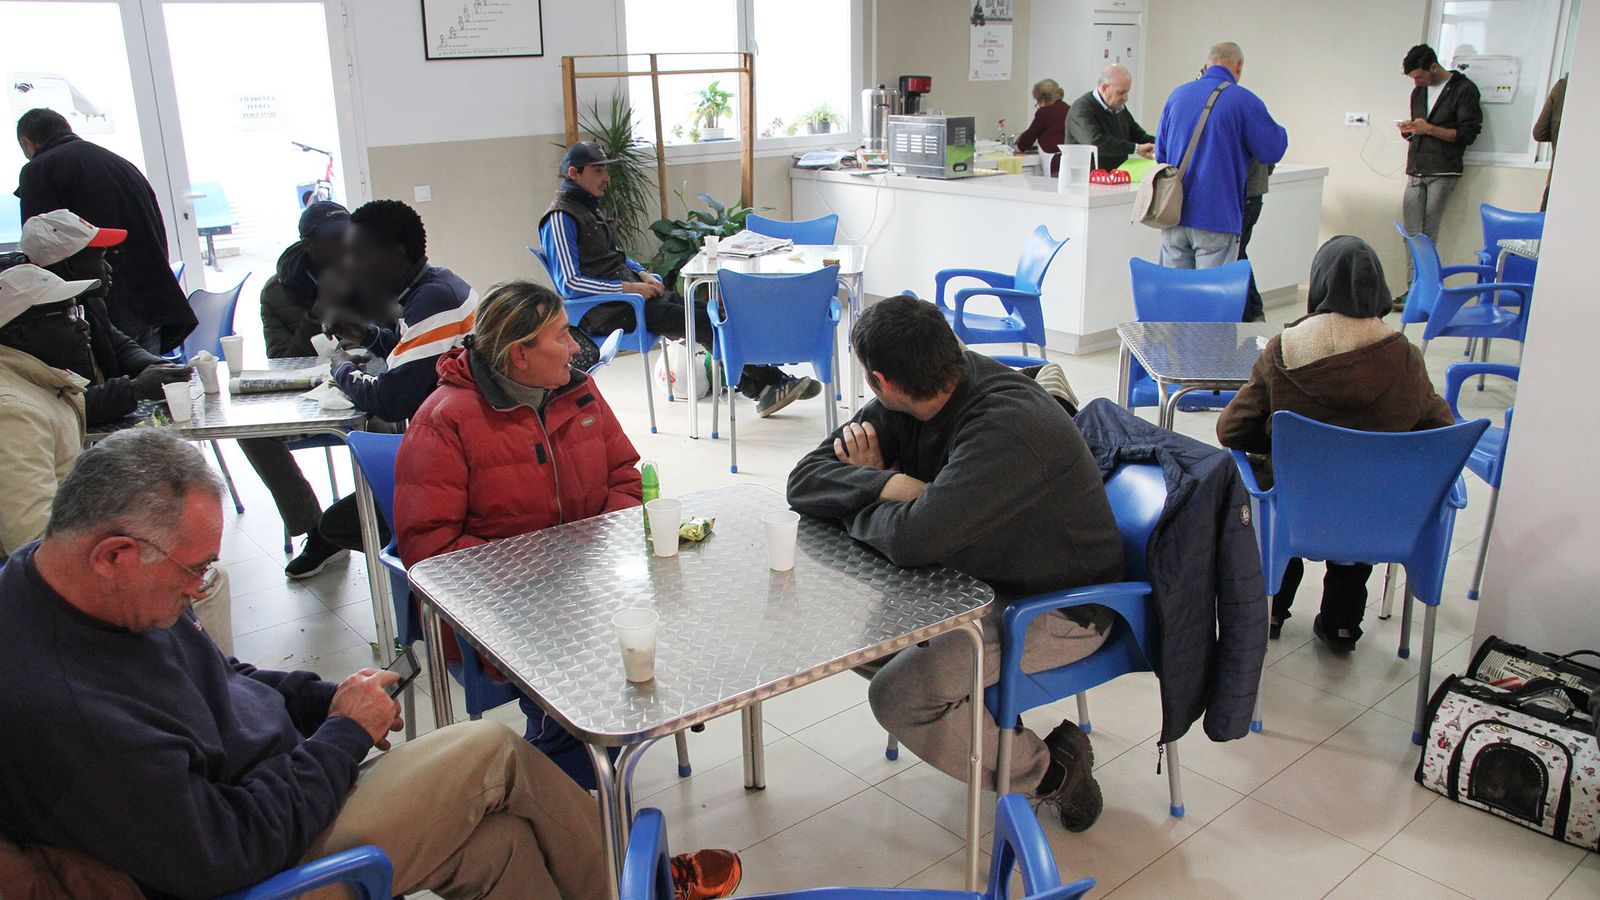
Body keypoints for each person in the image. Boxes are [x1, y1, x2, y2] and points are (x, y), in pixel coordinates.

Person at [0, 428, 741, 900]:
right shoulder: (68, 708)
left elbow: (223, 680)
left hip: (278, 788)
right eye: (191, 571)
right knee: (491, 752)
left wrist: (324, 699)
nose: (199, 589)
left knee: (501, 848)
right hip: (258, 864)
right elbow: (222, 853)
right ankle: (651, 893)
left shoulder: (83, 587)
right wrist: (344, 736)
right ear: (115, 553)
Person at [786, 294, 1124, 832]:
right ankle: (982, 725)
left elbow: (914, 540)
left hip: (1061, 607)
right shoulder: (912, 399)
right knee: (851, 638)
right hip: (977, 581)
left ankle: (1054, 773)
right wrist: (889, 483)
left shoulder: (1004, 426)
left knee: (900, 695)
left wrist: (866, 499)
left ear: (880, 380)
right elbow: (802, 481)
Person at [396, 279, 643, 789]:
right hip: (498, 611)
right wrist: (544, 571)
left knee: (661, 636)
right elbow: (432, 554)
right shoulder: (444, 421)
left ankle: (560, 756)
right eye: (559, 336)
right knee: (600, 685)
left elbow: (625, 476)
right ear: (519, 355)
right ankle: (557, 788)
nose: (575, 346)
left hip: (588, 587)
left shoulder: (579, 391)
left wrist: (596, 548)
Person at [1216, 236, 1454, 651]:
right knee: (1363, 483)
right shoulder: (1406, 357)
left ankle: (1272, 609)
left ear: (1318, 284)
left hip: (1295, 509)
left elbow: (1231, 430)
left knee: (1279, 495)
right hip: (1378, 517)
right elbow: (1438, 429)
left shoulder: (1284, 351)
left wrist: (1278, 441)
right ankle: (1342, 624)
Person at [257, 199, 477, 578]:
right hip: (447, 440)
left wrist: (341, 367)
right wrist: (368, 336)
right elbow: (413, 352)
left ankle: (422, 569)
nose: (351, 264)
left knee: (337, 525)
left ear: (395, 254)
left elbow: (389, 400)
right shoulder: (432, 285)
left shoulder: (432, 300)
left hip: (455, 460)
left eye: (359, 253)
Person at [539, 142, 815, 417]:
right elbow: (570, 284)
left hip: (631, 300)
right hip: (608, 310)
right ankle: (768, 384)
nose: (606, 178)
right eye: (598, 171)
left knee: (714, 311)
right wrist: (631, 287)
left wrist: (642, 272)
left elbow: (615, 257)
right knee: (705, 322)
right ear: (574, 173)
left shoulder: (587, 207)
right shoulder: (561, 218)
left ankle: (766, 384)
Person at [14, 108, 194, 353]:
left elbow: (41, 248)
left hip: (102, 312)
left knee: (121, 387)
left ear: (27, 143)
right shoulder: (119, 163)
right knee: (149, 385)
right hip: (150, 299)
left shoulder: (40, 170)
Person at [20, 209, 192, 425]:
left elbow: (118, 345)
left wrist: (157, 368)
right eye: (101, 258)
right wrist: (134, 390)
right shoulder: (37, 320)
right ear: (70, 266)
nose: (109, 268)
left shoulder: (88, 299)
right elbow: (60, 407)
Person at [1154, 42, 1288, 269]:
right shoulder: (1244, 101)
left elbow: (1161, 154)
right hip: (1217, 215)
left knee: (1176, 293)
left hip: (1174, 214)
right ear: (1239, 66)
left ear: (1206, 65)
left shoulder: (1177, 95)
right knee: (1209, 297)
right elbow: (1272, 150)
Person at [0, 263, 94, 559]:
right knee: (205, 582)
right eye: (67, 315)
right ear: (20, 335)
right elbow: (33, 542)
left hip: (74, 535)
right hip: (55, 569)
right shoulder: (14, 413)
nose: (83, 324)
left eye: (78, 310)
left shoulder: (39, 384)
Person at [1398, 44, 1482, 290]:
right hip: (1417, 166)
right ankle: (1412, 287)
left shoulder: (1463, 89)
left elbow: (1468, 133)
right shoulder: (1419, 93)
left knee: (1429, 233)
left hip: (1443, 169)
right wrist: (1410, 131)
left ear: (1434, 67)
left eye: (1420, 76)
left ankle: (1427, 287)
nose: (1417, 82)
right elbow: (1420, 128)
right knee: (1411, 233)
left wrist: (1429, 129)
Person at [261, 200, 351, 358]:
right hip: (319, 380)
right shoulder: (276, 293)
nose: (346, 245)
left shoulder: (372, 273)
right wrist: (318, 313)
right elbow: (282, 364)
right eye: (335, 238)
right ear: (309, 245)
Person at [1064, 64, 1154, 171]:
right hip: (1086, 180)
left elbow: (1137, 135)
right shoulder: (1081, 109)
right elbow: (1096, 142)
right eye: (1121, 92)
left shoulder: (1119, 108)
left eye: (1127, 92)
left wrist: (1161, 143)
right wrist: (1135, 149)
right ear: (1104, 88)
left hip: (1114, 177)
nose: (1125, 97)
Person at [1238, 161, 1273, 322]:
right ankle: (1253, 314)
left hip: (1243, 193)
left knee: (1236, 256)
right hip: (1251, 192)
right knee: (1238, 255)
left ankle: (1253, 314)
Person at [1015, 79, 1071, 175]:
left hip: (1054, 163)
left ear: (1042, 100)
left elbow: (1030, 135)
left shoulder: (1044, 112)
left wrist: (1017, 148)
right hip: (1071, 160)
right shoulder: (1069, 109)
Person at [1534, 76, 1566, 211]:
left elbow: (1539, 132)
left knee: (1546, 229)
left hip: (1556, 180)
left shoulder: (1562, 87)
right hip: (1589, 185)